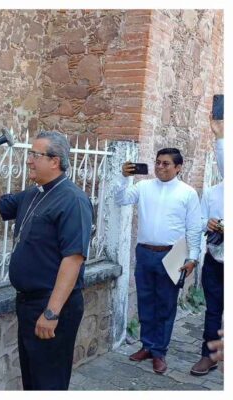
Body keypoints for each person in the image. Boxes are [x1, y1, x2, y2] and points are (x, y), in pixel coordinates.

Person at [0, 130, 93, 390]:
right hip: (28, 303)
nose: (29, 160)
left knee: (48, 382)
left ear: (54, 161)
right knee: (33, 379)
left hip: (53, 305)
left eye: (35, 155)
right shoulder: (33, 194)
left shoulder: (73, 199)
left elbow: (73, 259)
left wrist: (51, 312)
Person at [119, 148, 203, 375]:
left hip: (173, 254)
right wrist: (123, 177)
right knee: (146, 301)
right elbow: (121, 199)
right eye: (157, 163)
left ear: (178, 167)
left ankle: (159, 351)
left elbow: (194, 227)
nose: (160, 167)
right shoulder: (144, 187)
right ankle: (146, 346)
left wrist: (193, 257)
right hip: (145, 252)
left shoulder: (187, 193)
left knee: (166, 305)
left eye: (166, 164)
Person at [191, 113, 224, 376]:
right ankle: (208, 356)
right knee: (213, 310)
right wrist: (208, 224)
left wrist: (220, 136)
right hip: (215, 258)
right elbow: (200, 220)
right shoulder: (212, 192)